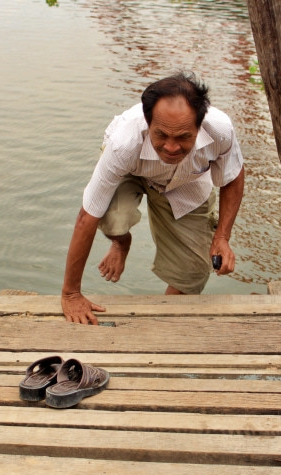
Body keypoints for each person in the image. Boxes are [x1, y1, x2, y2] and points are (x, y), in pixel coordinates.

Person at [61, 72, 245, 324]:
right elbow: (87, 216)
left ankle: (163, 323)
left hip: (186, 182)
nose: (171, 147)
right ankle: (121, 242)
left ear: (199, 126)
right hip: (133, 171)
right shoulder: (123, 143)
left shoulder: (221, 130)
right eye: (161, 135)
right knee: (113, 218)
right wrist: (71, 294)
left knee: (193, 272)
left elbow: (232, 176)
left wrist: (222, 237)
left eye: (183, 137)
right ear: (147, 123)